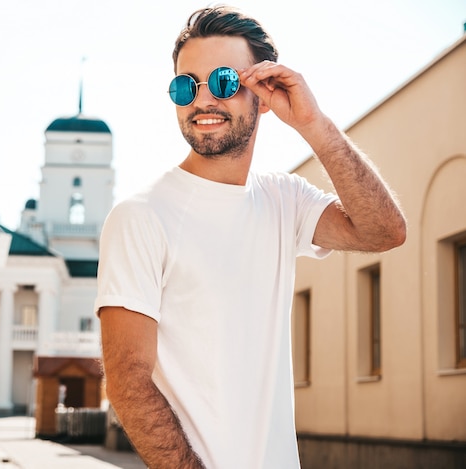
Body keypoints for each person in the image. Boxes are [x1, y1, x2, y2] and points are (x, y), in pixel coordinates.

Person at [94, 5, 406, 468]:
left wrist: (313, 125)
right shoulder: (140, 216)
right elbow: (127, 382)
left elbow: (384, 231)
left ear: (263, 93)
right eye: (185, 86)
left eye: (222, 81)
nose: (201, 102)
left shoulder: (283, 199)